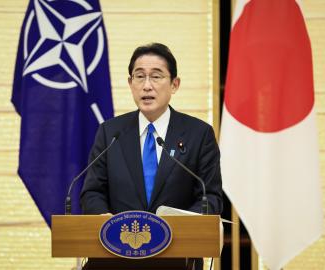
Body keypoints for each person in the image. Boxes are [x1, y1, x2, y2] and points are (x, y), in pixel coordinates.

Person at [80, 43, 222, 269]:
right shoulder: (110, 133)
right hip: (115, 258)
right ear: (130, 83)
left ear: (175, 84)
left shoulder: (199, 134)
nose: (147, 86)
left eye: (156, 76)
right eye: (139, 76)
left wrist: (173, 228)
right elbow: (92, 191)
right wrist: (106, 219)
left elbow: (210, 198)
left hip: (176, 260)